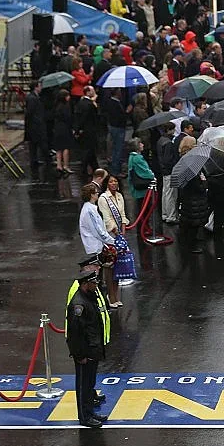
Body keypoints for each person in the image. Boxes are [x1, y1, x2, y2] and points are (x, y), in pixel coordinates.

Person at [66, 270, 107, 428]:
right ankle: (84, 416)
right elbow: (75, 333)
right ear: (85, 283)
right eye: (93, 282)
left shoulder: (90, 298)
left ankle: (90, 412)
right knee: (83, 386)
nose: (96, 285)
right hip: (84, 353)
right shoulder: (79, 304)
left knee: (89, 384)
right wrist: (79, 355)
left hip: (92, 350)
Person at [99, 175, 136, 298]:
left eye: (115, 181)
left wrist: (123, 229)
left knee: (120, 256)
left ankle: (119, 279)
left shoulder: (119, 196)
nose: (114, 183)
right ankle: (110, 291)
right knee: (111, 259)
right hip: (110, 234)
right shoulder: (103, 198)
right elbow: (107, 218)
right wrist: (116, 231)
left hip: (120, 232)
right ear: (107, 184)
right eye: (111, 181)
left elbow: (123, 214)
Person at [79, 182, 116, 259]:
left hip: (96, 246)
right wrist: (113, 242)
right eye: (96, 192)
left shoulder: (90, 208)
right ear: (91, 195)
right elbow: (98, 231)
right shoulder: (89, 211)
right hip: (95, 247)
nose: (98, 194)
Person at [74, 86, 100, 177]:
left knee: (90, 150)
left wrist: (77, 130)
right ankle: (84, 168)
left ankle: (95, 167)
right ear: (88, 92)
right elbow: (92, 117)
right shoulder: (89, 104)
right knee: (88, 150)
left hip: (84, 130)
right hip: (89, 130)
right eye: (92, 91)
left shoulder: (80, 103)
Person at [157, 123, 180, 224]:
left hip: (163, 171)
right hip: (170, 171)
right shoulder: (168, 143)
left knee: (165, 193)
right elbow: (168, 160)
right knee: (171, 194)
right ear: (169, 130)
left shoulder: (160, 140)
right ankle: (171, 216)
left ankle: (165, 214)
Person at [24, 81, 49, 171]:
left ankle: (35, 160)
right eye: (39, 86)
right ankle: (41, 160)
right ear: (35, 87)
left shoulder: (35, 97)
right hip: (35, 125)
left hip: (36, 124)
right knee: (38, 143)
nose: (41, 88)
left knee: (35, 144)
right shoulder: (32, 98)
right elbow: (30, 112)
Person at [52, 89, 75, 177]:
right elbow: (68, 118)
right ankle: (65, 165)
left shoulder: (57, 105)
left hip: (57, 128)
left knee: (58, 148)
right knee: (66, 147)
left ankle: (59, 165)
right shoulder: (66, 106)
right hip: (65, 128)